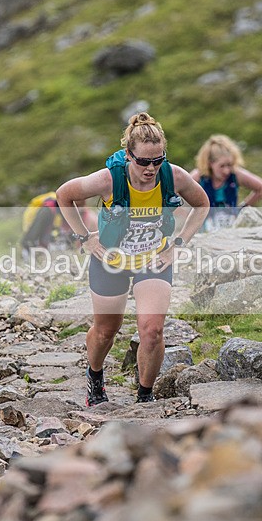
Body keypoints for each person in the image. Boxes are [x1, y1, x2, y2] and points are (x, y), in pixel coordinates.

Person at [56, 113, 209, 406]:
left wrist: (178, 243)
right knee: (105, 332)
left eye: (158, 160)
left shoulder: (173, 176)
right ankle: (96, 376)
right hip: (110, 260)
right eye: (143, 161)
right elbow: (64, 195)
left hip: (153, 260)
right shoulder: (108, 179)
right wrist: (85, 237)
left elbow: (201, 204)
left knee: (152, 330)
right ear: (129, 155)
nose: (151, 168)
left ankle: (144, 396)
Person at [190, 134, 262, 231]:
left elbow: (261, 188)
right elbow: (175, 191)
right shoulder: (199, 176)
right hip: (204, 231)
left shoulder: (236, 174)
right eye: (222, 166)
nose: (226, 171)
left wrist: (243, 207)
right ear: (210, 163)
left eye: (229, 165)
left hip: (231, 229)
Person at [20, 191, 96, 256]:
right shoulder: (47, 211)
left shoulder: (84, 213)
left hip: (62, 252)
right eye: (76, 208)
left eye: (80, 208)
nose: (78, 211)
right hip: (42, 250)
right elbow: (29, 240)